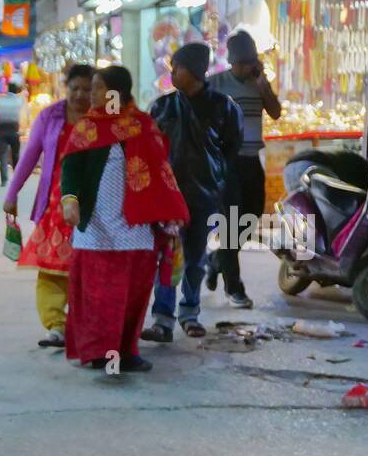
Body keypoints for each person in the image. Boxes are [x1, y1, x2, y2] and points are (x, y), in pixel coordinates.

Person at [58, 66, 189, 372]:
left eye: (97, 88)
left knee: (132, 292)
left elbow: (161, 172)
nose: (91, 95)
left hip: (135, 226)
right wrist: (70, 201)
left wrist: (168, 213)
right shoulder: (87, 128)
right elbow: (71, 170)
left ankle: (125, 351)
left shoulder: (143, 125)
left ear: (116, 92)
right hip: (95, 227)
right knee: (97, 293)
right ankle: (98, 352)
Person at [142, 42, 243, 342]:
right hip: (166, 197)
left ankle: (189, 312)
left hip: (204, 195)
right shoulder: (161, 106)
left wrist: (218, 186)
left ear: (196, 71)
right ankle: (162, 319)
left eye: (178, 67)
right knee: (166, 257)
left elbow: (230, 151)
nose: (172, 72)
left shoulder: (225, 108)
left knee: (195, 258)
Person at [3, 63, 94, 348]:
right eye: (75, 88)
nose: (80, 94)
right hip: (55, 203)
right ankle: (55, 324)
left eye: (87, 89)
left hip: (93, 205)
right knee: (52, 267)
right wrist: (12, 193)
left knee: (88, 265)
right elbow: (29, 156)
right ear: (64, 87)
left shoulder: (103, 117)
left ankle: (86, 322)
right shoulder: (50, 116)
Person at [206, 30, 282, 308]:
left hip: (251, 159)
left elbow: (275, 112)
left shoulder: (259, 84)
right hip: (226, 163)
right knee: (231, 220)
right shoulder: (216, 84)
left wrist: (263, 84)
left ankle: (216, 260)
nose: (248, 67)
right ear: (232, 61)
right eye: (243, 63)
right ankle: (234, 287)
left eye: (252, 62)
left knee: (251, 216)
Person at [0, 80, 26, 186]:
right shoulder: (19, 100)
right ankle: (16, 180)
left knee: (3, 156)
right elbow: (23, 113)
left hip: (2, 130)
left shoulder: (0, 100)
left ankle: (4, 180)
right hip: (14, 130)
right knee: (15, 156)